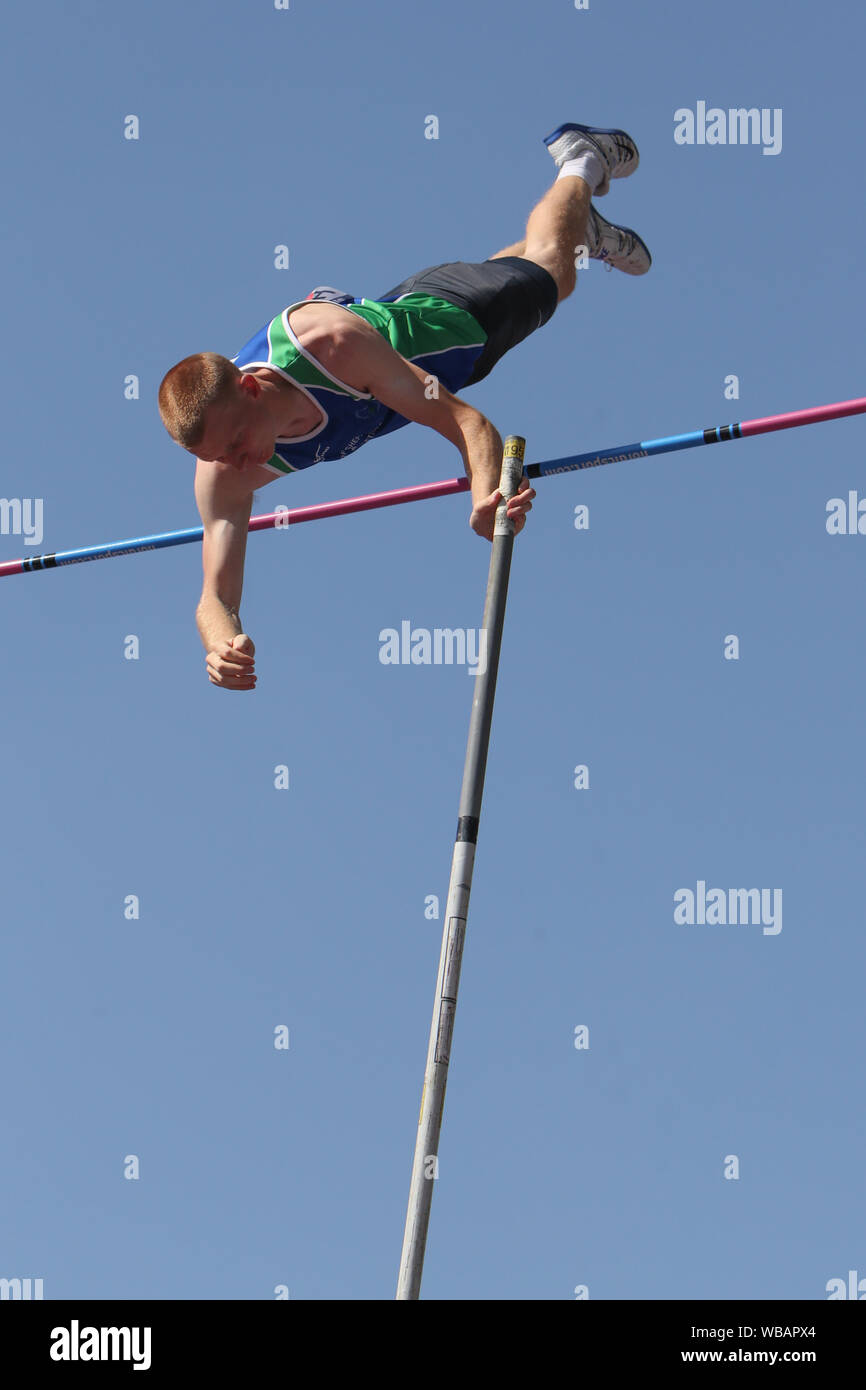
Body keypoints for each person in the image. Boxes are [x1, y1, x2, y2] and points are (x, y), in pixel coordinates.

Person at [158, 121, 651, 691]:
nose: (242, 468)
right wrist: (220, 643)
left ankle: (580, 163)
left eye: (239, 445)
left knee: (554, 274)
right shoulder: (222, 469)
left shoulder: (331, 348)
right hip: (400, 326)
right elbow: (214, 598)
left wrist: (483, 497)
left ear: (249, 387)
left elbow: (468, 422)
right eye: (222, 457)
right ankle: (577, 229)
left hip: (458, 323)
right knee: (535, 264)